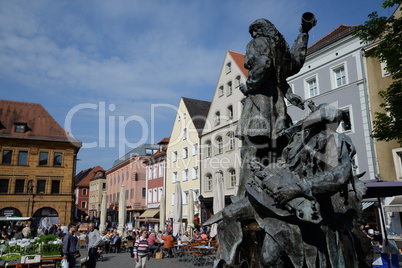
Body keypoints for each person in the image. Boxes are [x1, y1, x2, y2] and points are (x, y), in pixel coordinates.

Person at [235, 14, 315, 199]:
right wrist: (304, 33)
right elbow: (295, 64)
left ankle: (245, 198)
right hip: (278, 112)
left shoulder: (258, 43)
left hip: (259, 107)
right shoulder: (281, 50)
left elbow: (263, 64)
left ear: (258, 31)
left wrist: (250, 86)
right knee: (276, 156)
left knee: (250, 153)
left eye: (253, 32)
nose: (253, 35)